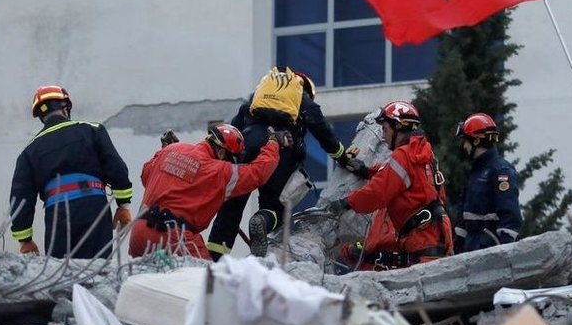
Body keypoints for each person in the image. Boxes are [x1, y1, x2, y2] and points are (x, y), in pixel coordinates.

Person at [206, 66, 353, 260]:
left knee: (233, 204)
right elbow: (322, 131)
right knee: (276, 206)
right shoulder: (302, 98)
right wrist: (343, 157)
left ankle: (214, 259)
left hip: (248, 143)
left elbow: (232, 130)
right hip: (281, 148)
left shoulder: (256, 100)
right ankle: (263, 220)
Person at [128, 123, 291, 259]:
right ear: (221, 152)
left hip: (139, 233)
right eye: (231, 159)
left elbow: (146, 176)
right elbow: (257, 173)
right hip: (174, 236)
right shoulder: (218, 170)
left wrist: (164, 150)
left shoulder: (171, 150)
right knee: (207, 287)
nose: (231, 164)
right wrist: (273, 144)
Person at [327, 101, 454, 271]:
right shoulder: (423, 153)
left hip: (423, 238)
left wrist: (346, 203)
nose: (382, 135)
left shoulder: (403, 155)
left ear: (398, 127)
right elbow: (397, 176)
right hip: (435, 233)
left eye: (385, 129)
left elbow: (378, 192)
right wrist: (367, 172)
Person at [9, 85, 133, 258]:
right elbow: (116, 168)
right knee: (96, 270)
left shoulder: (29, 152)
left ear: (40, 116)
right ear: (66, 107)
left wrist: (25, 240)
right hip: (94, 207)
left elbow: (20, 198)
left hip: (58, 215)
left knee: (63, 275)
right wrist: (123, 205)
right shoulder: (92, 130)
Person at [453, 113, 522, 252]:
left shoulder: (501, 171)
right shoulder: (476, 171)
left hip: (489, 250)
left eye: (466, 141)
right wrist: (458, 244)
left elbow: (510, 216)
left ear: (476, 141)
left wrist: (504, 250)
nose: (464, 146)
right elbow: (464, 215)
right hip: (471, 247)